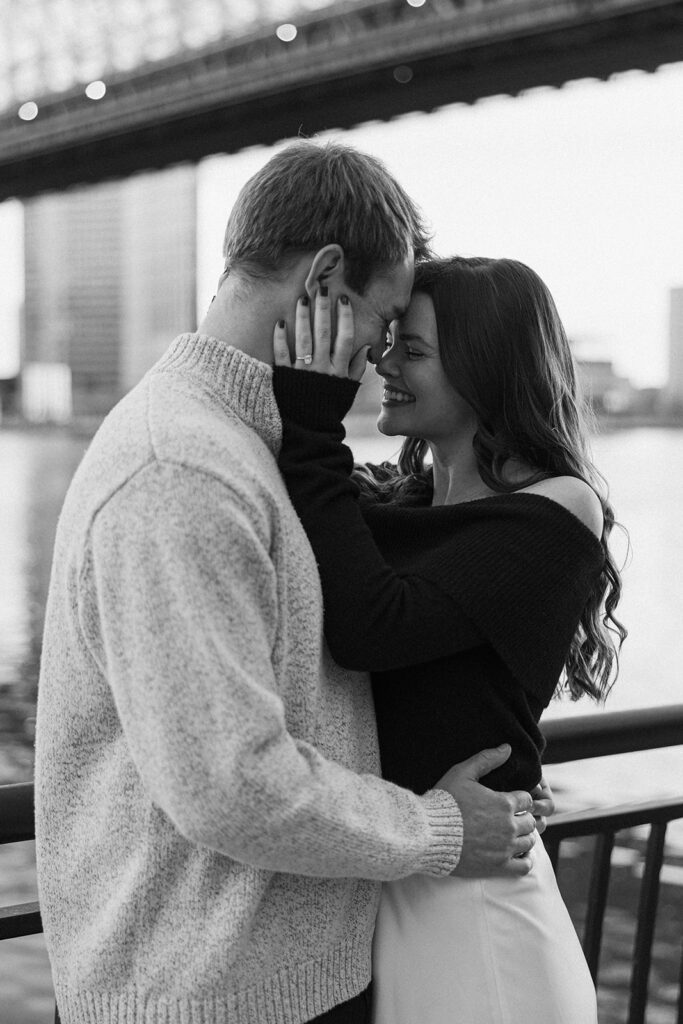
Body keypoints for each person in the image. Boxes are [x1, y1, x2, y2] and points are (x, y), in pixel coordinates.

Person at [35, 144, 548, 1024]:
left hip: (281, 979)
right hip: (208, 999)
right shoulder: (179, 468)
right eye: (382, 324)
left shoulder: (256, 447)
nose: (380, 357)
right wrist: (437, 829)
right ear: (324, 280)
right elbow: (229, 785)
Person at [272, 255, 627, 1023]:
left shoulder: (558, 508)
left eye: (414, 351)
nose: (382, 362)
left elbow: (373, 624)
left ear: (484, 369)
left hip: (472, 912)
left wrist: (313, 417)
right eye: (390, 339)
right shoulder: (400, 501)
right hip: (400, 869)